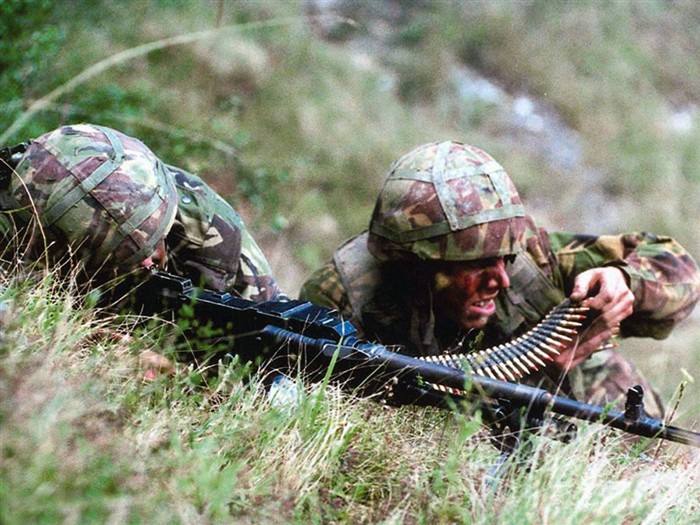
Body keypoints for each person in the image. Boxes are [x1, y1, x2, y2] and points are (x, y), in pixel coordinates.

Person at [299, 141, 700, 417]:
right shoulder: (344, 298)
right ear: (415, 263)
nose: (502, 280)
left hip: (603, 423)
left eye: (506, 257)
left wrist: (623, 281)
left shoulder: (534, 261)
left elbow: (679, 269)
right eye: (476, 265)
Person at [0, 123, 283, 303]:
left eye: (151, 242)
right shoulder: (15, 204)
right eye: (131, 257)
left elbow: (267, 331)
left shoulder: (213, 236)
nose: (149, 262)